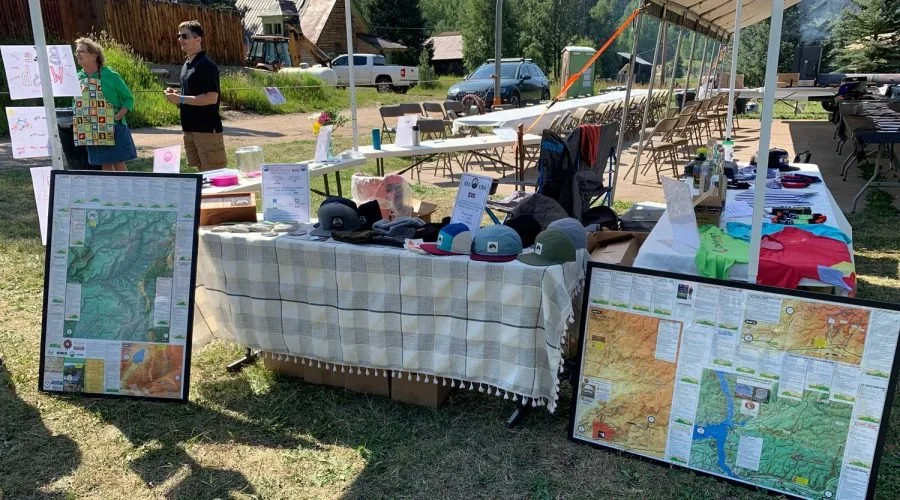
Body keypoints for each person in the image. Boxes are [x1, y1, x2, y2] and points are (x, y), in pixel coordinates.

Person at [164, 20, 227, 171]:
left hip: (206, 130)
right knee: (201, 175)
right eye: (179, 36)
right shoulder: (187, 64)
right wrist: (177, 95)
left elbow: (212, 98)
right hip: (190, 129)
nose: (180, 39)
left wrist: (181, 99)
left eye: (184, 36)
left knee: (213, 174)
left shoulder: (206, 64)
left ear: (198, 39)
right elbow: (193, 95)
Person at [73, 37, 137, 171]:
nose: (78, 54)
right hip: (92, 128)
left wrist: (117, 117)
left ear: (94, 55)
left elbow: (128, 99)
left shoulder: (110, 75)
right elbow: (76, 103)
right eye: (77, 52)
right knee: (105, 164)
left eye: (82, 51)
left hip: (114, 127)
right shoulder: (77, 78)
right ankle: (110, 192)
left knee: (118, 164)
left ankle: (125, 191)